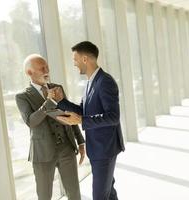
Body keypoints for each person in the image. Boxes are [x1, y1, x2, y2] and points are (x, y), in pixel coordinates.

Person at [50, 41, 125, 200]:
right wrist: (61, 101)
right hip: (98, 149)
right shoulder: (90, 82)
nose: (74, 64)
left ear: (85, 59)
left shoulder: (105, 82)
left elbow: (113, 116)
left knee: (99, 196)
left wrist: (82, 120)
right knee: (108, 192)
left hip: (105, 149)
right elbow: (82, 111)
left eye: (75, 60)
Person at [15, 54, 85, 200]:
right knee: (44, 196)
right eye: (42, 68)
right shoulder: (22, 97)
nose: (47, 70)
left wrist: (80, 141)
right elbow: (31, 122)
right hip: (42, 154)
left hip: (67, 149)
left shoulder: (57, 88)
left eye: (47, 66)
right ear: (30, 72)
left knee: (74, 194)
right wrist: (50, 101)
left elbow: (69, 115)